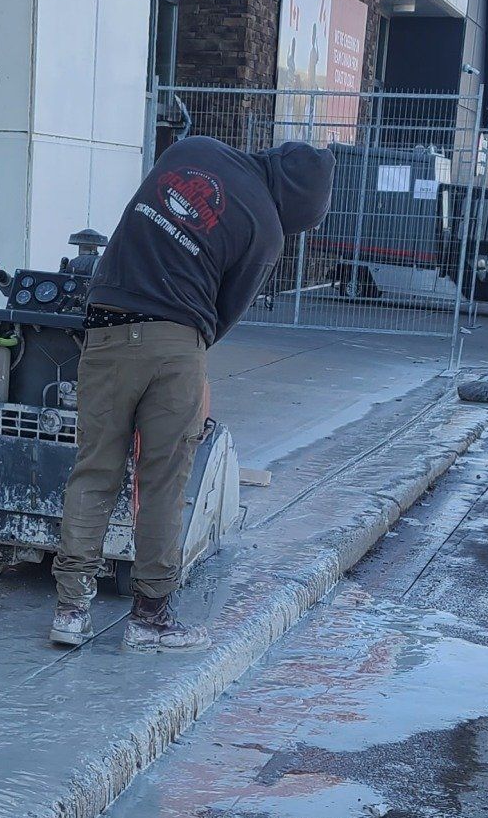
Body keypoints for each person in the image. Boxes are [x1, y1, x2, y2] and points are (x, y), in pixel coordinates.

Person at [49, 135, 336, 651]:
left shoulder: (192, 148)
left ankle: (70, 610)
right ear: (300, 203)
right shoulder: (266, 230)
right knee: (162, 480)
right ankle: (150, 618)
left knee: (94, 469)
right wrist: (186, 355)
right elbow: (222, 315)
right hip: (175, 340)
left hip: (104, 324)